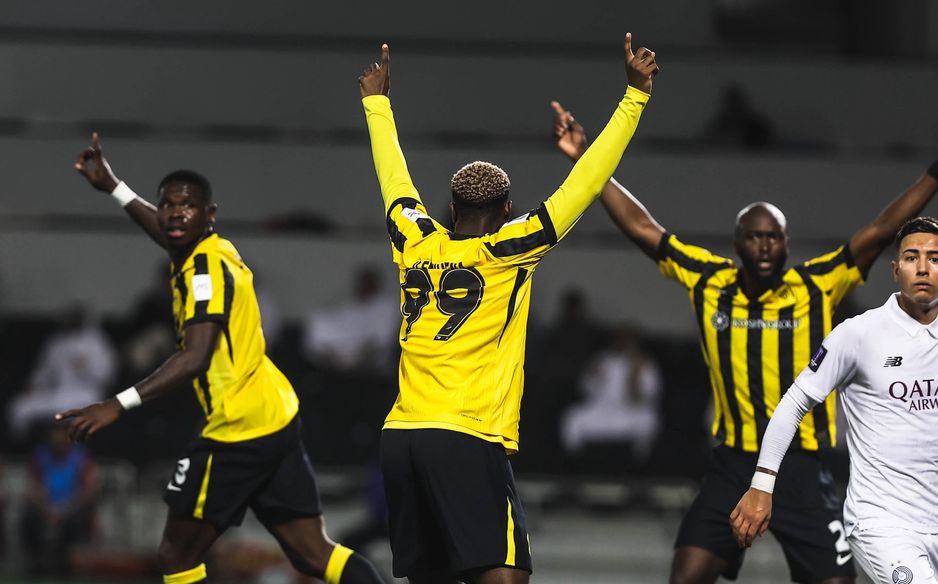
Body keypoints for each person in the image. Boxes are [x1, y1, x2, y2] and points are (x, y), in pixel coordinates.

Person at [551, 101, 938, 583]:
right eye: (754, 237)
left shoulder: (815, 285)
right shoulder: (708, 280)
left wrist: (933, 176)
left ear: (787, 243)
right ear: (737, 244)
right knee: (686, 576)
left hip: (800, 466)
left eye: (774, 237)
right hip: (732, 463)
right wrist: (586, 158)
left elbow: (880, 232)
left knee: (837, 581)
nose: (765, 246)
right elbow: (642, 228)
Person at [359, 35, 657, 584]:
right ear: (507, 209)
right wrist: (634, 96)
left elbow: (393, 182)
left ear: (451, 209)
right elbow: (586, 182)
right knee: (506, 575)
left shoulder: (414, 240)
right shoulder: (508, 249)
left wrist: (377, 103)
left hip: (400, 436)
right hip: (464, 435)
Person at [58, 137, 385, 584]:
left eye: (187, 206)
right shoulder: (212, 249)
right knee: (315, 554)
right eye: (168, 205)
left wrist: (117, 404)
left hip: (238, 428)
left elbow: (195, 357)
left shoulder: (204, 273)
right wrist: (114, 186)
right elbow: (167, 233)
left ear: (209, 214)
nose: (175, 214)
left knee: (175, 556)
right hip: (275, 415)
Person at [731, 216, 938, 584]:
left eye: (934, 258)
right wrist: (761, 485)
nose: (923, 268)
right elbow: (794, 403)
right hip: (883, 524)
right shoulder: (858, 334)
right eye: (912, 257)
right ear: (895, 270)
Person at [8, 304, 117, 440]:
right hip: (57, 393)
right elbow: (43, 371)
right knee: (19, 407)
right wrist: (33, 385)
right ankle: (22, 446)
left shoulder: (96, 342)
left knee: (88, 412)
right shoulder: (56, 342)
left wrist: (85, 367)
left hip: (85, 395)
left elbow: (107, 375)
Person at [19, 421, 99, 578]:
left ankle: (67, 565)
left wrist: (66, 509)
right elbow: (33, 487)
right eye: (55, 434)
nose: (58, 439)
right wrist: (46, 509)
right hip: (45, 508)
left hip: (72, 509)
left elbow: (89, 490)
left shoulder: (81, 458)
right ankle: (35, 563)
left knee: (76, 522)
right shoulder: (40, 456)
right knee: (28, 517)